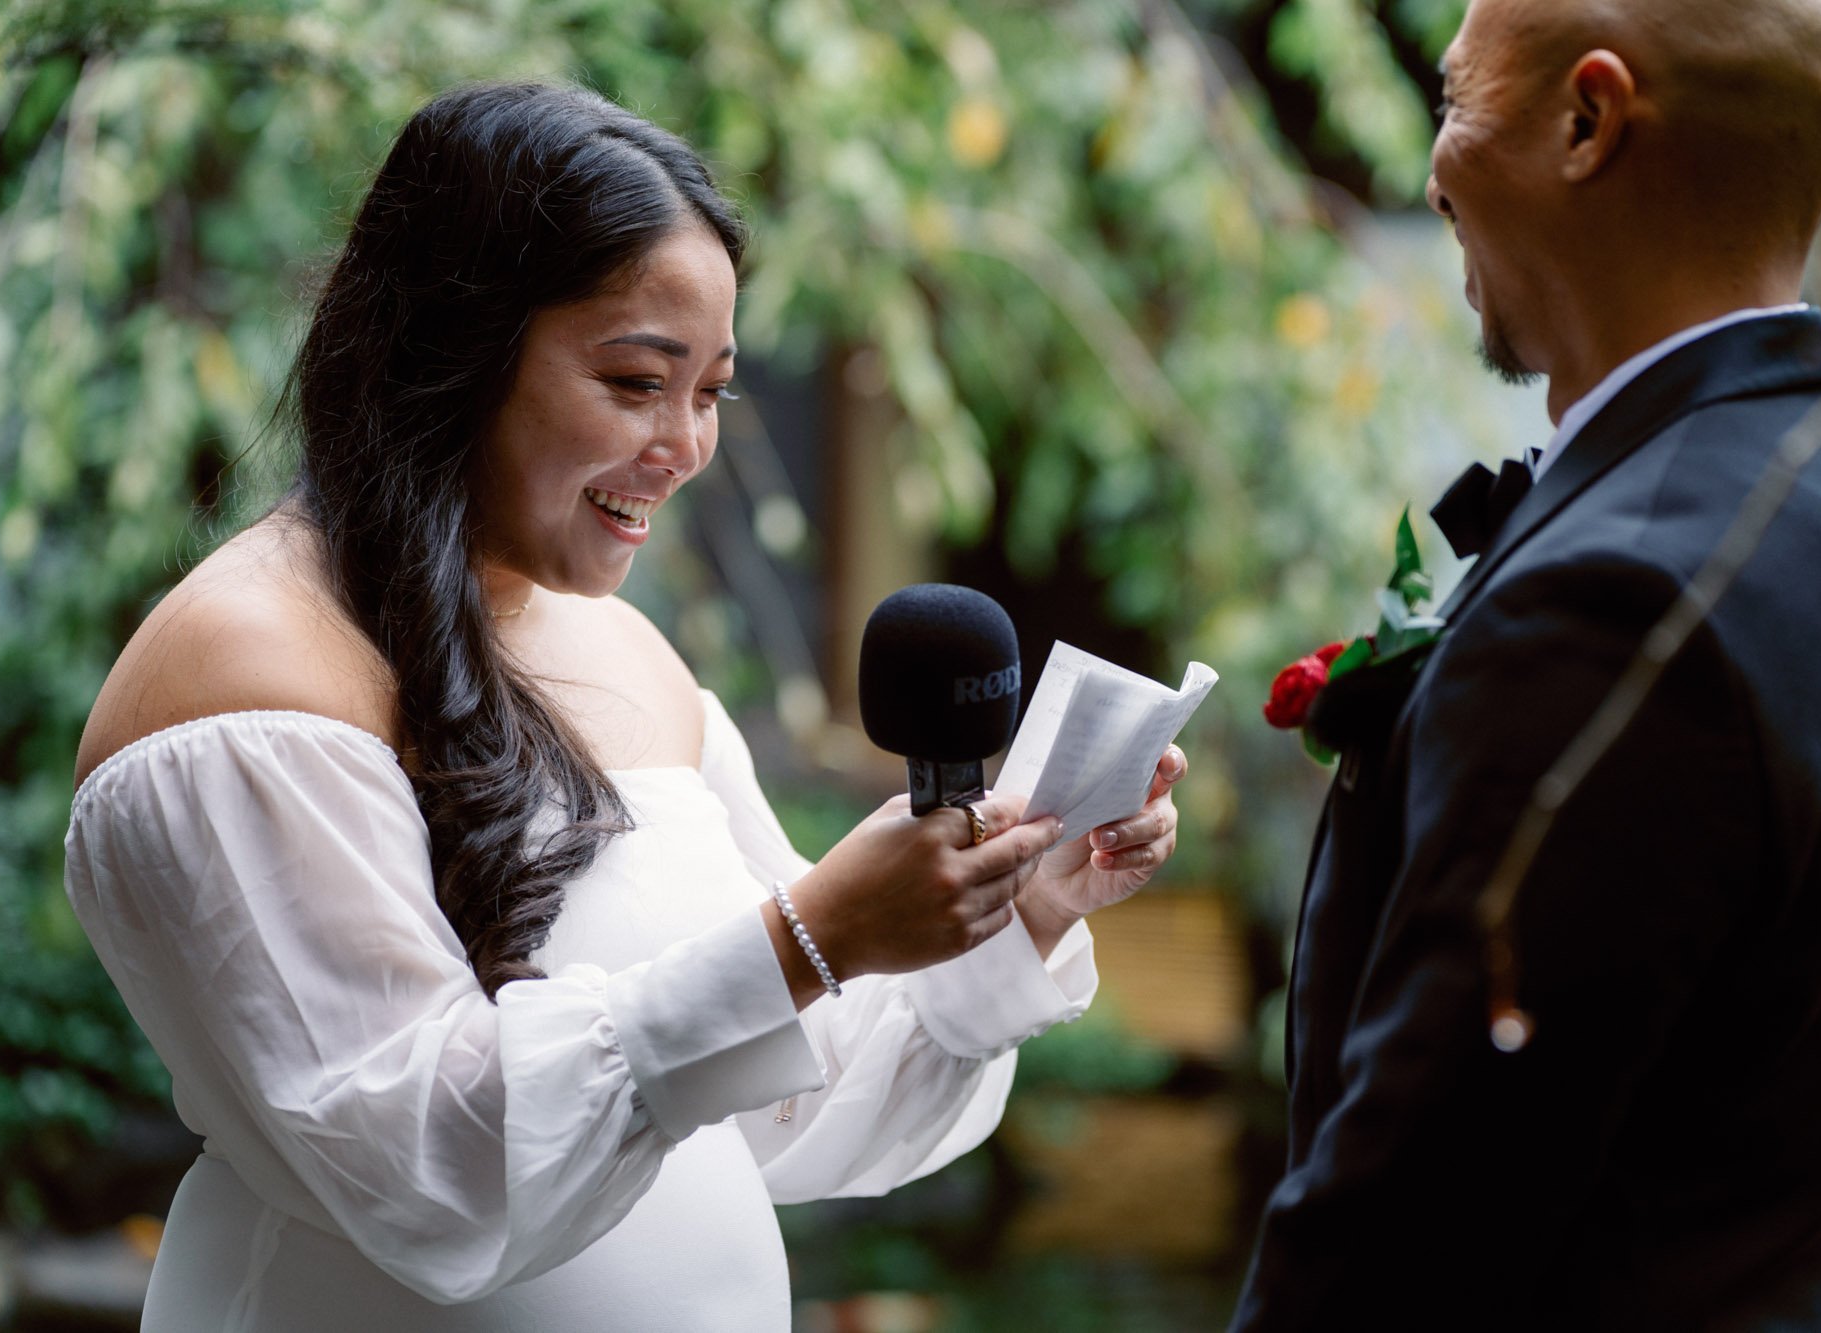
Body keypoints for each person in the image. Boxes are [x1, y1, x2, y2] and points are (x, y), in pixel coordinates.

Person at [64, 83, 1186, 1329]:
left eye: (710, 391)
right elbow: (425, 1167)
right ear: (455, 345)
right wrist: (804, 939)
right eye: (636, 380)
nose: (685, 445)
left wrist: (1012, 908)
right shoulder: (243, 665)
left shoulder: (631, 654)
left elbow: (787, 1106)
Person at [1233, 0, 1821, 1327]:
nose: (1433, 172)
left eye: (1454, 100)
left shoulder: (1618, 602)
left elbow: (1405, 1235)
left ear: (1587, 118)